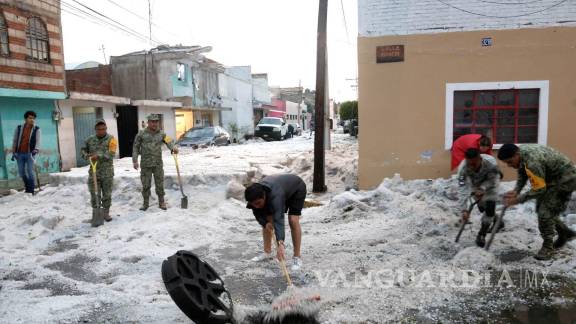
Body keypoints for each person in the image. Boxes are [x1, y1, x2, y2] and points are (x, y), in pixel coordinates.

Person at [498, 143, 576, 260]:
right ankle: (565, 233)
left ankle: (548, 247)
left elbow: (539, 189)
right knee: (541, 208)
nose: (509, 165)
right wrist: (516, 191)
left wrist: (518, 200)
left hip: (565, 180)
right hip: (551, 178)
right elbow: (522, 172)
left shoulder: (533, 162)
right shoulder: (522, 154)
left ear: (516, 154)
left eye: (510, 161)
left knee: (545, 213)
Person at [245, 174, 307, 271]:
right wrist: (265, 223)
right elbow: (258, 214)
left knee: (293, 220)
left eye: (258, 203)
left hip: (296, 188)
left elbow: (279, 219)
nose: (256, 206)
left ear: (264, 196)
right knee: (268, 222)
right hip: (282, 188)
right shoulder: (254, 198)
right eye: (254, 204)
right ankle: (267, 252)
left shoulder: (275, 196)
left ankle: (297, 257)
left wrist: (280, 243)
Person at [133, 114, 178, 211]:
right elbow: (135, 147)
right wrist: (135, 160)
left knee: (160, 184)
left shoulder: (161, 134)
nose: (154, 123)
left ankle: (161, 202)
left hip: (158, 164)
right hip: (146, 164)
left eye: (156, 121)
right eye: (152, 121)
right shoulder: (141, 134)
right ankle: (145, 203)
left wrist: (173, 148)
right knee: (145, 185)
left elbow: (169, 142)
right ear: (148, 122)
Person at [459, 148, 502, 247]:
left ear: (480, 159)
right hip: (475, 184)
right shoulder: (463, 169)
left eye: (474, 164)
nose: (472, 167)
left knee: (490, 208)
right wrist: (464, 210)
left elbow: (493, 180)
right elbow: (462, 188)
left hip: (491, 184)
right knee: (482, 208)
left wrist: (483, 188)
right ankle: (498, 221)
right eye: (469, 164)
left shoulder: (490, 165)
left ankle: (481, 234)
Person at [81, 120, 117, 223]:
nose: (101, 131)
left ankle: (105, 213)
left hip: (107, 172)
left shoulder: (111, 139)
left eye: (103, 129)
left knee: (107, 193)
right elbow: (83, 150)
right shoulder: (89, 140)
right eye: (99, 129)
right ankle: (96, 213)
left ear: (106, 129)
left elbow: (112, 153)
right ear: (95, 130)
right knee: (94, 193)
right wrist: (86, 155)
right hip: (94, 171)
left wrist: (98, 156)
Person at [11, 111, 41, 195]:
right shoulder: (19, 128)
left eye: (33, 118)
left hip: (30, 154)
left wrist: (36, 149)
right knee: (21, 172)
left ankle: (31, 190)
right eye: (30, 118)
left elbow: (38, 141)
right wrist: (14, 152)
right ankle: (28, 187)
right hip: (20, 154)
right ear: (25, 119)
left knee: (30, 172)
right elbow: (15, 140)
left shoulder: (36, 129)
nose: (32, 120)